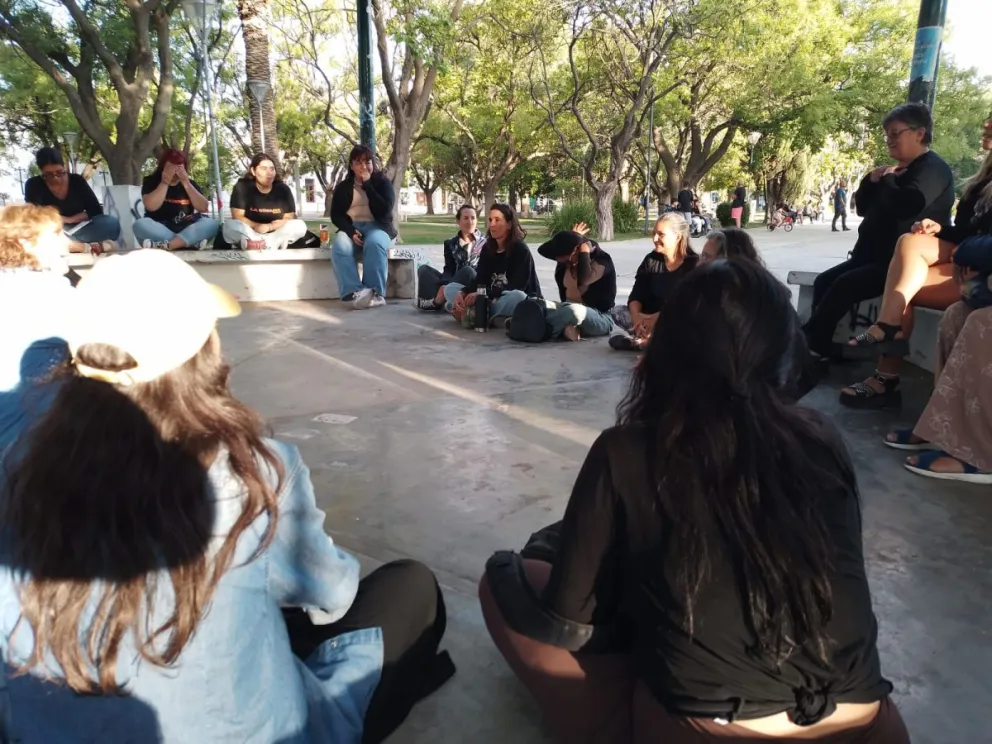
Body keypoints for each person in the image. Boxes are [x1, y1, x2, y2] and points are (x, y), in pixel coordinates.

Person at [0, 249, 454, 744]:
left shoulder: (18, 476)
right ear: (201, 356)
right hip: (258, 730)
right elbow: (334, 592)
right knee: (412, 588)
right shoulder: (246, 473)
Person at [480, 259, 907, 744]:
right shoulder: (823, 441)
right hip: (869, 723)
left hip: (711, 728)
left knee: (506, 579)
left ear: (666, 352)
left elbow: (570, 625)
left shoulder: (627, 452)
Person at [838, 113, 992, 408]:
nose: (985, 124)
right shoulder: (981, 179)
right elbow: (965, 232)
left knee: (899, 290)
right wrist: (940, 229)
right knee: (906, 262)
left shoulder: (933, 168)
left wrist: (967, 250)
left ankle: (885, 377)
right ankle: (887, 339)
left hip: (983, 273)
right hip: (965, 259)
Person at [802, 103, 955, 364]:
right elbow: (862, 208)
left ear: (919, 134)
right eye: (887, 134)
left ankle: (809, 346)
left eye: (895, 133)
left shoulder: (932, 168)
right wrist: (870, 181)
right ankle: (819, 347)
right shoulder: (893, 173)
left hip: (895, 263)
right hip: (868, 256)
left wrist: (887, 180)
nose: (889, 140)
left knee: (843, 286)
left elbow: (908, 204)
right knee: (823, 282)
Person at [0, 205, 73, 454]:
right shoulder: (50, 291)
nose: (66, 244)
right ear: (24, 242)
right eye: (56, 235)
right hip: (30, 444)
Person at [609, 212, 698, 352]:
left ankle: (645, 343)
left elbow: (690, 304)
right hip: (646, 319)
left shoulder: (694, 265)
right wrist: (637, 319)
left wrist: (657, 318)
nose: (655, 238)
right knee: (618, 311)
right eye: (654, 233)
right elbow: (636, 295)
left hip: (673, 319)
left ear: (678, 237)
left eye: (661, 234)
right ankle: (649, 340)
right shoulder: (651, 260)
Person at [445, 204, 541, 328]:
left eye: (497, 220)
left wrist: (482, 296)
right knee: (450, 289)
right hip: (489, 299)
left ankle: (474, 314)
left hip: (514, 299)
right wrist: (463, 293)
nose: (492, 224)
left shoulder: (520, 250)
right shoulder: (487, 248)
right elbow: (480, 280)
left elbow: (517, 287)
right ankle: (482, 314)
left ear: (509, 225)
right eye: (490, 220)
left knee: (517, 297)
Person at [330, 145, 398, 309]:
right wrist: (351, 231)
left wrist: (367, 185)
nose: (364, 166)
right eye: (359, 162)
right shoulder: (343, 187)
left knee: (374, 243)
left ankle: (375, 293)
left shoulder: (383, 183)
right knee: (340, 245)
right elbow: (336, 215)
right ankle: (355, 292)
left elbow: (384, 210)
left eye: (367, 162)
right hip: (353, 227)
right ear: (352, 165)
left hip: (379, 227)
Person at [23, 146, 121, 254]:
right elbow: (33, 214)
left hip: (81, 227)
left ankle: (67, 245)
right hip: (52, 228)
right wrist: (63, 220)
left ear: (64, 167)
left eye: (59, 172)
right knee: (32, 231)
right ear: (42, 172)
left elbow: (95, 209)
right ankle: (83, 246)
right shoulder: (33, 184)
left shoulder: (76, 180)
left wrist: (72, 219)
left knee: (111, 223)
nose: (56, 177)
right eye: (49, 175)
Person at [536, 222, 617, 341]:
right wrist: (573, 239)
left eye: (566, 258)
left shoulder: (603, 260)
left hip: (599, 316)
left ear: (576, 251)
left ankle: (539, 328)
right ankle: (565, 329)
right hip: (565, 308)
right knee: (538, 303)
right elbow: (543, 250)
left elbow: (584, 279)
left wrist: (584, 251)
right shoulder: (565, 263)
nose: (563, 262)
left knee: (573, 311)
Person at [133, 148, 219, 251]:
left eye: (178, 168)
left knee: (211, 224)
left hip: (187, 227)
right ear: (163, 166)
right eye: (170, 167)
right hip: (160, 227)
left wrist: (186, 183)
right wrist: (164, 183)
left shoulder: (190, 183)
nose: (174, 172)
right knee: (140, 224)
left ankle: (169, 245)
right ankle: (187, 243)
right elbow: (151, 206)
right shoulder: (151, 181)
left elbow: (203, 207)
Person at [223, 153, 308, 252]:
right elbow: (237, 216)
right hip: (250, 232)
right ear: (253, 171)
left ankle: (260, 244)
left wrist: (270, 227)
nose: (269, 173)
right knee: (229, 226)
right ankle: (269, 244)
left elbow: (289, 217)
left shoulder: (283, 189)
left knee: (299, 225)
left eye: (272, 169)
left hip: (277, 233)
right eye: (263, 169)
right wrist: (256, 226)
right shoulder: (242, 187)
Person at [417, 204, 485, 311]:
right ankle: (442, 298)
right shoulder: (450, 243)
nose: (470, 222)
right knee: (424, 270)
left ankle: (437, 301)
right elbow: (449, 268)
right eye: (466, 218)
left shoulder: (485, 242)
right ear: (458, 221)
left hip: (474, 283)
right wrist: (445, 284)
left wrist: (446, 286)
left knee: (467, 270)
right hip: (454, 281)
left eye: (473, 218)